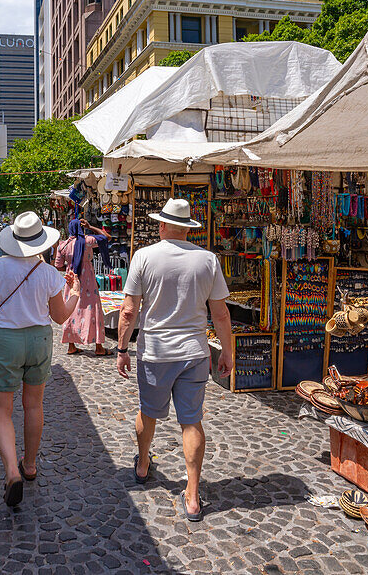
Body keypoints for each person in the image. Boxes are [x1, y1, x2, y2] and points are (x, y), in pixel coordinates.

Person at [115, 198, 233, 523]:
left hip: (155, 352)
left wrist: (122, 348)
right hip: (194, 353)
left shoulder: (144, 257)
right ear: (188, 228)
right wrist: (228, 351)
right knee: (191, 421)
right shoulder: (207, 260)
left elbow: (128, 311)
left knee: (148, 412)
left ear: (162, 225)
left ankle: (142, 464)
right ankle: (193, 496)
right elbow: (220, 313)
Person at [0, 212, 80, 508]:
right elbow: (59, 316)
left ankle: (11, 471)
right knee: (33, 405)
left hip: (7, 340)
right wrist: (75, 293)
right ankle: (29, 465)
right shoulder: (48, 274)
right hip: (40, 340)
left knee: (2, 410)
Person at [54, 218, 110, 355]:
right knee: (92, 309)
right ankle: (99, 347)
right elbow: (106, 237)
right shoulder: (88, 241)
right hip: (88, 279)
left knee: (71, 309)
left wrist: (71, 265)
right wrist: (91, 227)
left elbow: (58, 265)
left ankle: (71, 346)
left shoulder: (63, 245)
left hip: (72, 279)